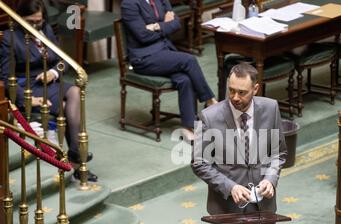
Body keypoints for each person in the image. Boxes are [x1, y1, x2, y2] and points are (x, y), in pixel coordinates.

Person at [191, 63, 287, 224]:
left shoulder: (271, 108)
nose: (235, 97)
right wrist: (230, 186)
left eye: (242, 92)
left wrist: (270, 178)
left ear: (256, 88)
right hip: (227, 209)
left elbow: (278, 152)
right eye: (231, 90)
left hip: (263, 206)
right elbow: (199, 162)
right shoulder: (209, 116)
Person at [0, 0, 97, 182]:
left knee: (76, 92)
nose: (36, 26)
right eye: (31, 22)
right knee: (65, 105)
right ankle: (78, 160)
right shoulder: (8, 37)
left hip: (50, 82)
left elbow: (63, 59)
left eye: (39, 21)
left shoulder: (47, 30)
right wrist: (26, 99)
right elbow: (6, 78)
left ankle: (75, 154)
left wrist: (53, 72)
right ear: (19, 18)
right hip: (28, 86)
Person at [121, 0, 217, 141]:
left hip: (164, 51)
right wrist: (165, 25)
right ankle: (210, 101)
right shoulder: (129, 4)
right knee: (189, 60)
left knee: (185, 79)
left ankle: (188, 126)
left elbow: (176, 23)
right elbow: (142, 36)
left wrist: (156, 26)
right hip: (144, 58)